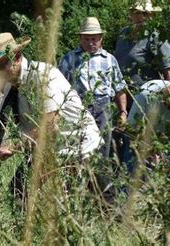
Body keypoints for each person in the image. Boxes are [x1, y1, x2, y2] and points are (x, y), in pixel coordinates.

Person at [0, 32, 103, 203]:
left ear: (16, 57)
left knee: (97, 196)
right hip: (51, 145)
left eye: (1, 65)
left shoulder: (42, 76)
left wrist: (14, 146)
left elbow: (51, 124)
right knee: (20, 189)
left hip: (78, 141)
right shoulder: (11, 85)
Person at [59, 17, 127, 158]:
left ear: (101, 38)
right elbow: (59, 87)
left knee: (103, 147)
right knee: (80, 146)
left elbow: (119, 88)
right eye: (86, 39)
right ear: (80, 38)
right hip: (78, 106)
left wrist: (123, 112)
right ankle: (81, 177)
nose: (90, 43)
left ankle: (100, 179)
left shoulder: (109, 59)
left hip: (103, 108)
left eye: (94, 39)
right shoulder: (68, 59)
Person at [122, 79, 170, 175]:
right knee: (131, 160)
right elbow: (131, 130)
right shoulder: (145, 96)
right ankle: (126, 187)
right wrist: (149, 151)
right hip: (146, 128)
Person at [114, 0, 170, 92]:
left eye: (145, 13)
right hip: (123, 96)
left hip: (148, 97)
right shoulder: (122, 34)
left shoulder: (156, 37)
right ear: (131, 14)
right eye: (137, 12)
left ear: (151, 16)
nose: (140, 17)